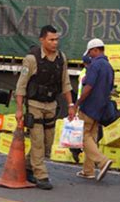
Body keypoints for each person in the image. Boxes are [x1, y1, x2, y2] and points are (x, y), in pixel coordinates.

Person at [15, 25, 75, 190]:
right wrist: (19, 109)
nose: (55, 43)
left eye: (57, 39)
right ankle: (41, 176)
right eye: (51, 39)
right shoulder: (32, 59)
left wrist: (71, 105)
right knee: (38, 141)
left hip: (51, 105)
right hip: (34, 105)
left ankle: (27, 167)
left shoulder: (61, 59)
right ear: (42, 40)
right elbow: (21, 86)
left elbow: (66, 83)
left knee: (47, 144)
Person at [72, 38, 114, 182]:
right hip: (100, 108)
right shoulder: (109, 66)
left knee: (84, 136)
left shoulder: (95, 65)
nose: (89, 56)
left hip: (89, 107)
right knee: (92, 138)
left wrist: (77, 103)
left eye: (90, 52)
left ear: (96, 50)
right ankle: (88, 171)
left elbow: (88, 87)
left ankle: (102, 162)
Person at [70, 54, 91, 163]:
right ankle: (76, 149)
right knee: (86, 132)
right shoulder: (87, 74)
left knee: (83, 132)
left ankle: (77, 150)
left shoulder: (84, 72)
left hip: (82, 104)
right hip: (84, 105)